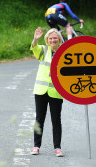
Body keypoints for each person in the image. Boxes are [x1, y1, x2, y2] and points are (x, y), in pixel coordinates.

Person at [30, 27, 64, 157]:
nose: (53, 40)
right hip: (41, 90)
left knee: (56, 120)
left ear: (59, 39)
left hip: (56, 91)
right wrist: (35, 39)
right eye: (50, 38)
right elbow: (34, 48)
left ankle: (57, 148)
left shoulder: (64, 52)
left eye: (55, 38)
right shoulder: (43, 50)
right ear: (47, 40)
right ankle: (36, 146)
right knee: (39, 119)